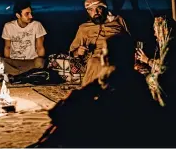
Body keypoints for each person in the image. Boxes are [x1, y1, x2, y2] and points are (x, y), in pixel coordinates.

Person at [29, 34, 174, 148]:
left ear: (107, 57)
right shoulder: (138, 81)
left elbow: (61, 110)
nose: (101, 56)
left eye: (103, 52)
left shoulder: (108, 80)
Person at [69, 0, 131, 87]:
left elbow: (129, 40)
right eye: (91, 10)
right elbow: (72, 52)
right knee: (96, 62)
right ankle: (89, 92)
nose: (96, 13)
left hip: (118, 56)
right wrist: (78, 51)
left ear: (104, 9)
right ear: (88, 12)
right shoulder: (84, 28)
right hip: (95, 59)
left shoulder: (117, 21)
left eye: (98, 8)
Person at [1, 0, 47, 76]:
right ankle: (23, 75)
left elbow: (40, 47)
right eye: (27, 14)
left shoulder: (36, 25)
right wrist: (8, 62)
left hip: (31, 62)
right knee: (0, 61)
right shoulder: (8, 26)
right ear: (18, 15)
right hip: (14, 62)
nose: (31, 16)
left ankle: (18, 75)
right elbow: (7, 47)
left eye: (31, 13)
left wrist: (40, 60)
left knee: (40, 62)